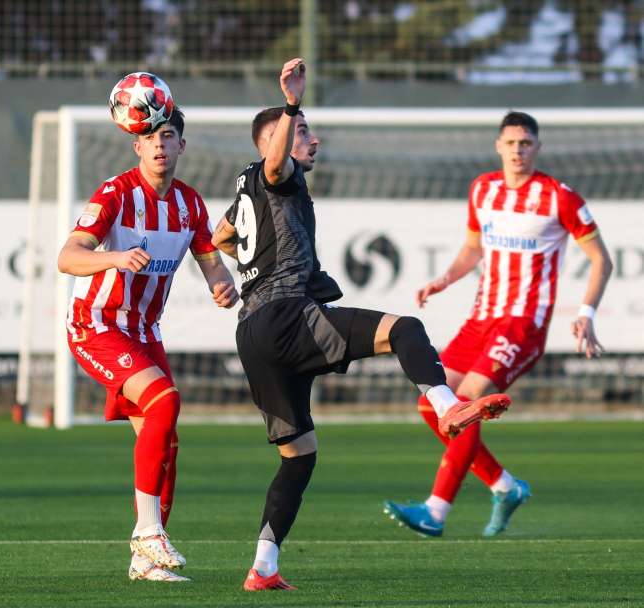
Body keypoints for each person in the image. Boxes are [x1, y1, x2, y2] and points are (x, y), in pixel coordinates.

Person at [210, 58, 512, 592]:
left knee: (298, 457)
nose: (312, 138)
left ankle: (262, 566)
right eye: (302, 132)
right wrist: (291, 104)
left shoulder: (245, 191)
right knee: (405, 329)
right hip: (286, 318)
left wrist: (242, 270)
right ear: (272, 139)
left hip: (252, 334)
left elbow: (220, 237)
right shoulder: (275, 174)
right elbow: (276, 166)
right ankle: (448, 408)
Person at [383, 111, 613, 538]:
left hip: (523, 322)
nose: (518, 151)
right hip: (480, 318)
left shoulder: (559, 197)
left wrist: (586, 314)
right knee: (432, 402)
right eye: (511, 143)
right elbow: (472, 248)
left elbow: (602, 259)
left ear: (537, 148)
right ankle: (505, 487)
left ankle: (435, 510)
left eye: (526, 143)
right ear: (498, 146)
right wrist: (444, 280)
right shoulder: (483, 189)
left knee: (467, 401)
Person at [57, 107, 239, 582]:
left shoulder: (191, 205)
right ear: (136, 146)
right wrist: (114, 257)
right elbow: (67, 257)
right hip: (96, 324)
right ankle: (148, 532)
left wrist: (223, 286)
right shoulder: (115, 194)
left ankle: (144, 560)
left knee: (168, 443)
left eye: (169, 136)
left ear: (182, 146)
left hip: (144, 331)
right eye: (151, 139)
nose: (160, 145)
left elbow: (212, 264)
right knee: (165, 401)